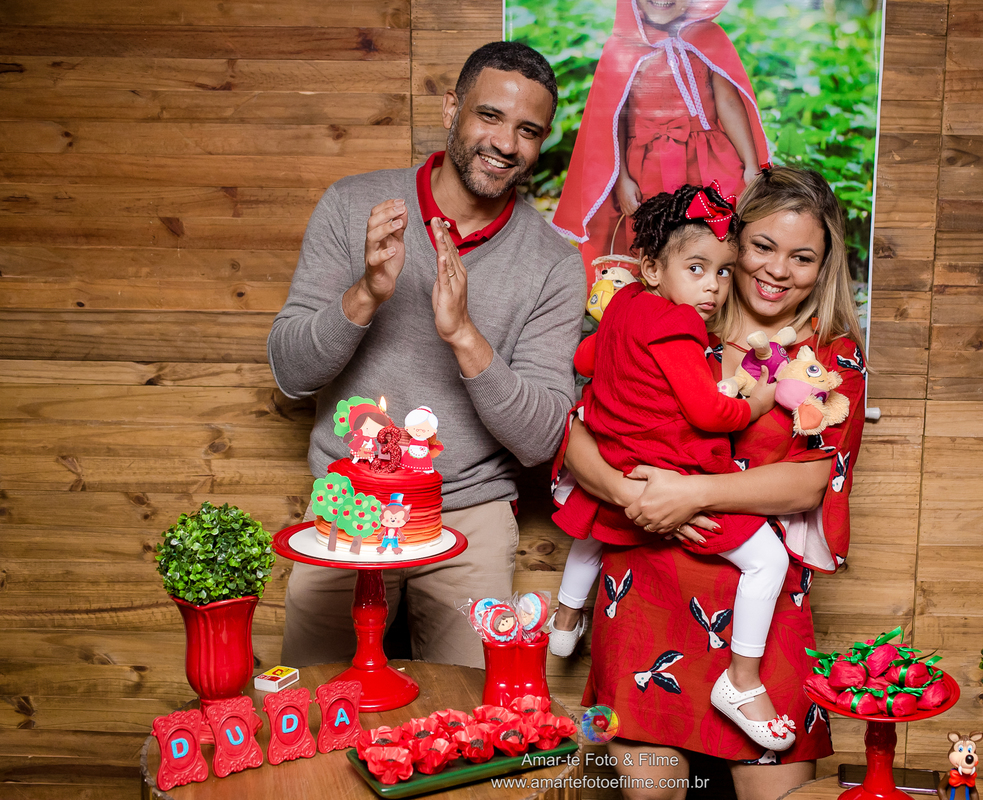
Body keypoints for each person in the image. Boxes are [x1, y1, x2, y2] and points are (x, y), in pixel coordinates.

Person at [268, 41, 585, 669]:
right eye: (489, 116)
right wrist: (365, 295)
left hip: (470, 512)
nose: (505, 143)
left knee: (474, 729)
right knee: (311, 707)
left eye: (528, 131)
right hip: (350, 510)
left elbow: (543, 435)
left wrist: (465, 336)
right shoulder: (353, 206)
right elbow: (290, 374)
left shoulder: (553, 262)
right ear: (451, 110)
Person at [555, 166, 866, 799]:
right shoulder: (667, 323)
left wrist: (692, 493)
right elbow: (579, 434)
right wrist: (634, 496)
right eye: (762, 248)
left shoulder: (830, 358)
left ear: (823, 266)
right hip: (649, 599)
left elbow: (812, 483)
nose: (779, 270)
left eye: (802, 257)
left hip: (762, 625)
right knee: (655, 793)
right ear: (733, 242)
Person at [548, 183, 797, 750]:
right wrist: (758, 398)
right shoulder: (679, 325)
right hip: (670, 462)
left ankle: (564, 620)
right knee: (767, 559)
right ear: (653, 268)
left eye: (723, 271)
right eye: (697, 268)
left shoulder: (624, 305)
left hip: (613, 447)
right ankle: (742, 680)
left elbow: (586, 358)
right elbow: (710, 412)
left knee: (596, 524)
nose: (712, 286)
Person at [554, 0, 771, 283]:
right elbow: (613, 117)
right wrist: (621, 179)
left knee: (719, 227)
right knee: (652, 237)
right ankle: (652, 307)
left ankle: (718, 299)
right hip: (647, 166)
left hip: (707, 161)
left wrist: (751, 164)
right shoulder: (620, 48)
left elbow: (728, 102)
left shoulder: (709, 37)